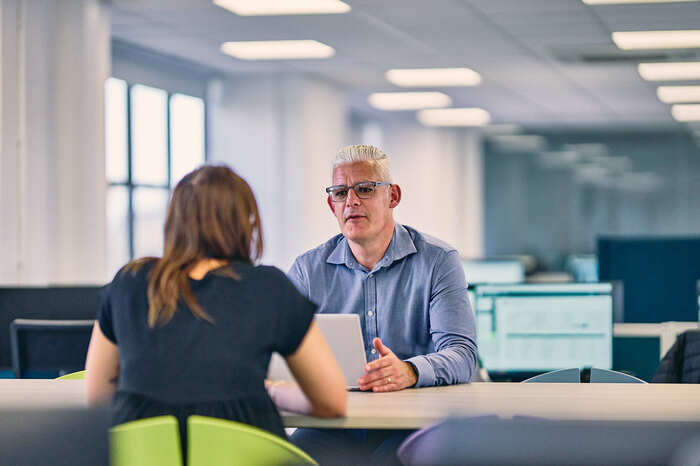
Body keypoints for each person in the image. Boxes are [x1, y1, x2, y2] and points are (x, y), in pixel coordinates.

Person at [85, 165, 346, 452]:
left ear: (174, 221)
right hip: (243, 456)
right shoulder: (268, 287)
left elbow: (97, 397)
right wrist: (271, 392)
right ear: (245, 223)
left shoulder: (128, 283)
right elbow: (331, 401)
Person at [288, 145, 477, 465]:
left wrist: (410, 370)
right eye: (340, 192)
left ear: (393, 196)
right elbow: (278, 353)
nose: (351, 201)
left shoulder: (438, 261)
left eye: (365, 189)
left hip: (412, 423)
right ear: (331, 203)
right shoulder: (308, 270)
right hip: (335, 423)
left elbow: (462, 354)